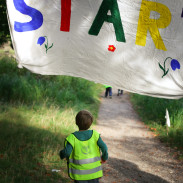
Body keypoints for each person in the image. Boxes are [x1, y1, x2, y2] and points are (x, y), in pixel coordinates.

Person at [60, 110, 108, 183]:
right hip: (94, 173)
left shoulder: (72, 138)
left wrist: (61, 154)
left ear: (76, 122)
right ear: (91, 123)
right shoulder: (95, 135)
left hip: (79, 174)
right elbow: (104, 147)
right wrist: (104, 157)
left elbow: (67, 153)